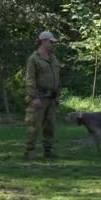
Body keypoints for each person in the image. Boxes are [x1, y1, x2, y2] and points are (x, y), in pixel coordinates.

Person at [23, 31, 61, 160]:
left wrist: (57, 96)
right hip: (39, 97)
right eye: (50, 42)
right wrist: (33, 97)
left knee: (50, 126)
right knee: (34, 125)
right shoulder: (34, 59)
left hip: (51, 98)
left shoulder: (53, 58)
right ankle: (30, 150)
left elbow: (57, 77)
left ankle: (48, 150)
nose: (52, 44)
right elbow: (30, 79)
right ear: (43, 41)